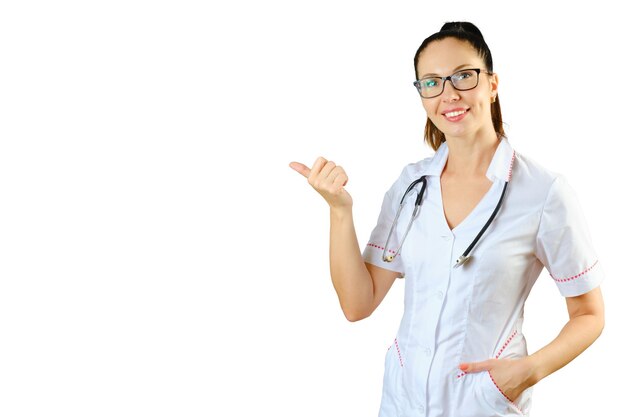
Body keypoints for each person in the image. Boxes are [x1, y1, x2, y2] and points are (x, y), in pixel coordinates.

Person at [289, 21, 605, 417]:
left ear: (492, 84)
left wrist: (526, 372)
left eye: (463, 76)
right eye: (432, 82)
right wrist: (339, 211)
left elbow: (590, 314)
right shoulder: (411, 185)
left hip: (482, 405)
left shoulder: (543, 192)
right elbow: (358, 303)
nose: (449, 93)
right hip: (402, 402)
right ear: (421, 94)